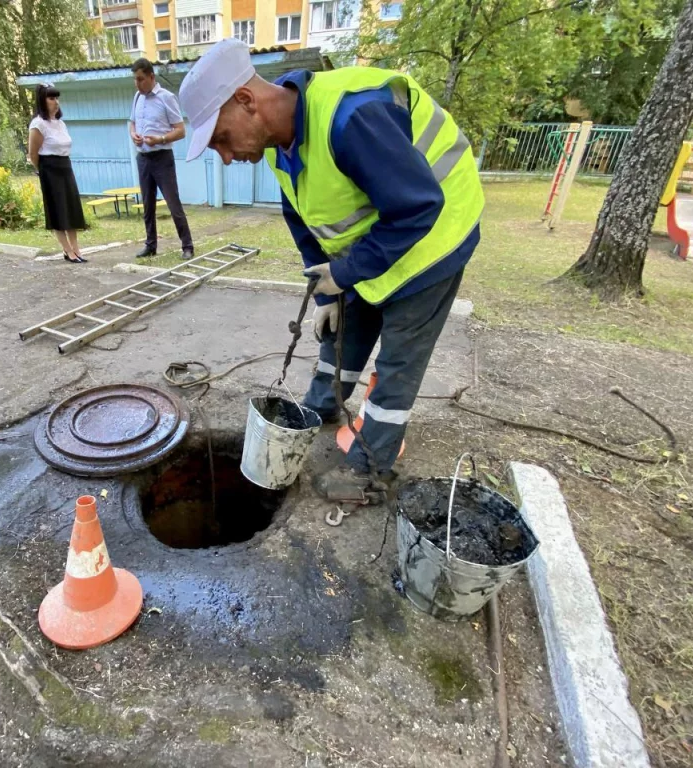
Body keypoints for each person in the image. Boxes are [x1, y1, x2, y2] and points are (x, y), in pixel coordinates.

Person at [179, 40, 484, 500]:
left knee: (398, 361)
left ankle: (370, 471)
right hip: (375, 240)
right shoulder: (279, 148)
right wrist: (327, 292)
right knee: (342, 326)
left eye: (221, 138)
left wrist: (345, 273)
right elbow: (303, 224)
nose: (224, 156)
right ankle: (323, 406)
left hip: (434, 238)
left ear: (245, 100)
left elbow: (418, 206)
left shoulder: (352, 117)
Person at [129, 59, 195, 261]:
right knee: (147, 205)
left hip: (162, 158)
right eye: (135, 80)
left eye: (141, 79)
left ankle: (187, 246)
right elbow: (132, 123)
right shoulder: (137, 98)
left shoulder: (166, 97)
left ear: (151, 77)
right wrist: (133, 134)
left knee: (173, 204)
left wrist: (161, 139)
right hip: (143, 158)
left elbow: (181, 130)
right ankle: (150, 245)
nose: (137, 84)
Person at [28, 83, 87, 263]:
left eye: (57, 98)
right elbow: (33, 153)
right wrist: (42, 171)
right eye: (51, 98)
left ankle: (76, 249)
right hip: (49, 168)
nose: (56, 102)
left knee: (71, 209)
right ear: (42, 101)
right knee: (58, 210)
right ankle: (67, 250)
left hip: (65, 167)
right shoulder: (38, 124)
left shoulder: (60, 123)